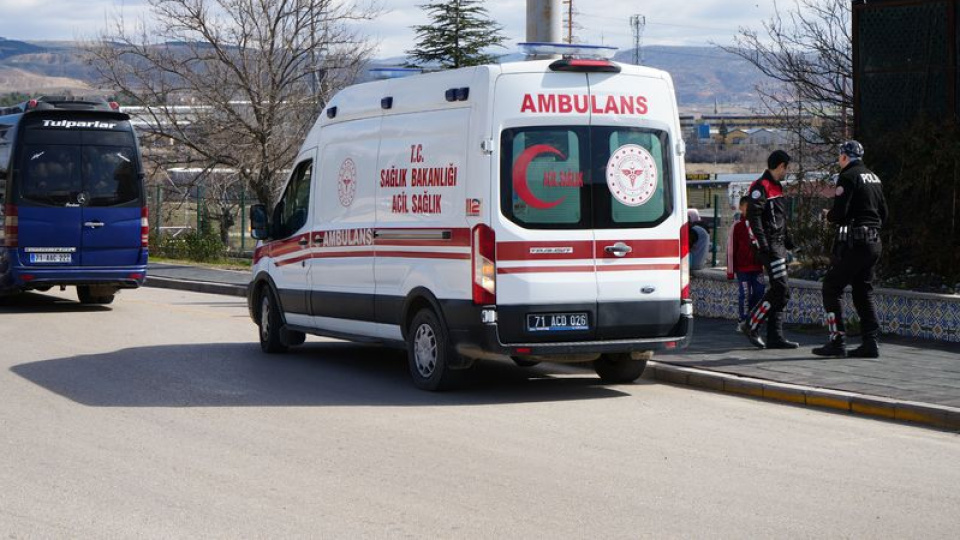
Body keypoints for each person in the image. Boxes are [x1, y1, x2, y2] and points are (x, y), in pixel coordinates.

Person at [813, 140, 888, 358]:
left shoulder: (847, 176)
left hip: (855, 242)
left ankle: (837, 341)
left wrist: (828, 215)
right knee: (863, 291)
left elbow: (840, 213)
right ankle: (870, 343)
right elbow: (884, 213)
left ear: (845, 157)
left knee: (831, 287)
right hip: (874, 242)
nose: (839, 160)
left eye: (840, 156)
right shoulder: (874, 177)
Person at [737, 149, 799, 349]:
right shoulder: (760, 186)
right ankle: (751, 324)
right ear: (780, 166)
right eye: (786, 168)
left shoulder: (777, 186)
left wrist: (789, 242)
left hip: (779, 245)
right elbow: (753, 218)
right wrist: (763, 245)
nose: (787, 172)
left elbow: (780, 219)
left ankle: (775, 336)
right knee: (780, 288)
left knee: (782, 292)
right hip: (769, 246)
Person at [727, 195, 765, 325]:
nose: (750, 210)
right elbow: (731, 248)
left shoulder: (759, 224)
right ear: (741, 208)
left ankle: (753, 318)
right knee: (745, 294)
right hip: (742, 268)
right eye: (747, 207)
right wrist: (730, 271)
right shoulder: (737, 226)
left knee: (760, 292)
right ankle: (742, 320)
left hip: (757, 267)